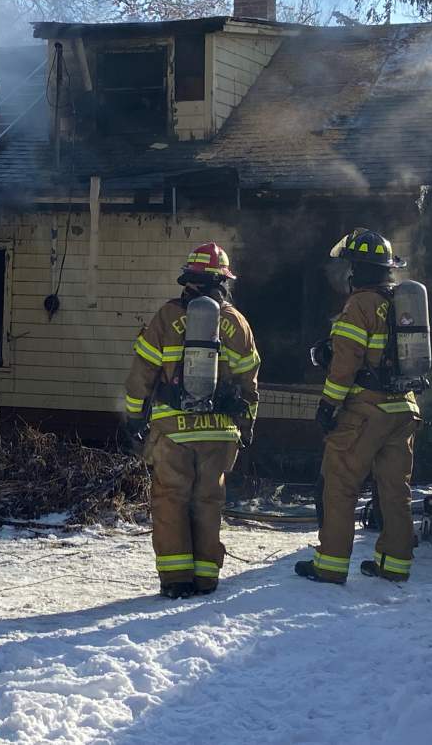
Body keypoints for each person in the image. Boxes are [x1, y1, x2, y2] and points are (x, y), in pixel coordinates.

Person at [123, 242, 260, 598]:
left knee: (171, 500)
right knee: (208, 501)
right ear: (223, 281)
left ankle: (176, 579)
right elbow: (250, 381)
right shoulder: (237, 322)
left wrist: (134, 413)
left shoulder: (167, 317)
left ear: (189, 279)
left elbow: (143, 371)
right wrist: (246, 424)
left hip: (173, 429)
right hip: (220, 432)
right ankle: (206, 578)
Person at [296, 229, 420, 585]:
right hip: (405, 408)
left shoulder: (361, 304)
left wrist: (328, 404)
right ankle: (394, 565)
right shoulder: (403, 301)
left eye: (352, 266)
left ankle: (330, 566)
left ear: (360, 269)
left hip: (367, 408)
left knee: (340, 484)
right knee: (396, 489)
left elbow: (346, 362)